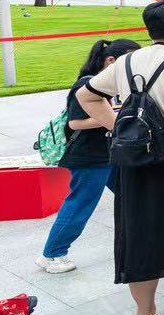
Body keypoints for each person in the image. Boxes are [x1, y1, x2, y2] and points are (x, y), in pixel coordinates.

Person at [76, 0, 164, 315]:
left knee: (137, 233)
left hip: (133, 160)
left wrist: (114, 127)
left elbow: (87, 95)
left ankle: (145, 314)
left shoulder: (125, 61)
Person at [37, 37, 140, 273]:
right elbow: (75, 123)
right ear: (110, 61)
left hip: (109, 153)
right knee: (81, 203)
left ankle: (141, 237)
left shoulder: (109, 84)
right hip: (89, 156)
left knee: (131, 191)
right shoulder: (88, 84)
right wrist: (116, 118)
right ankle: (52, 254)